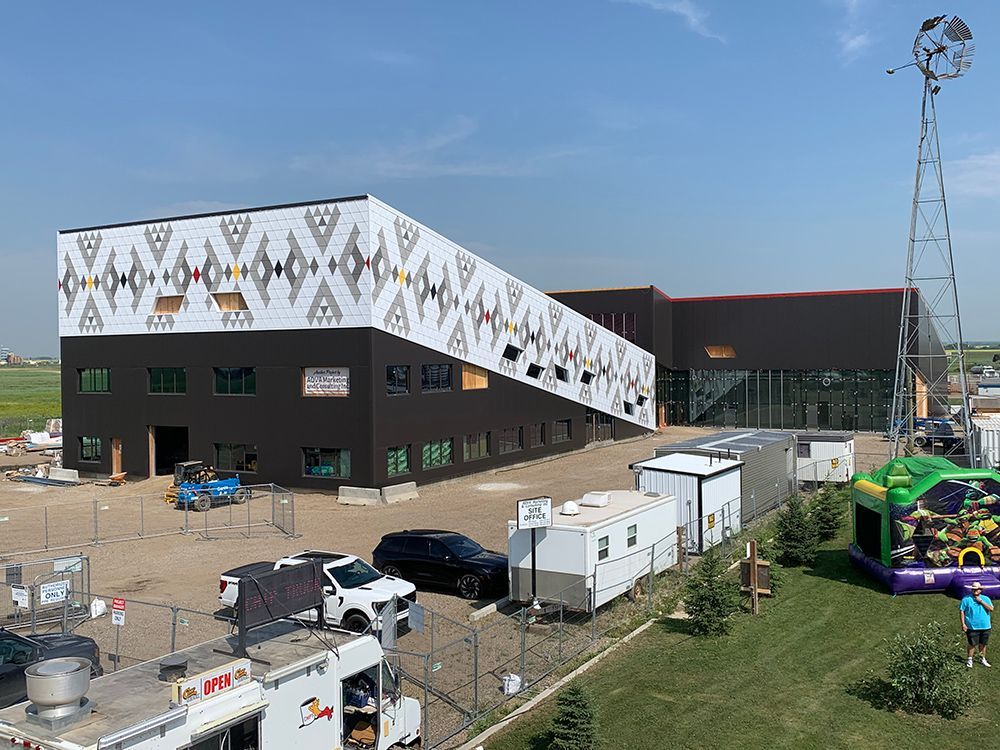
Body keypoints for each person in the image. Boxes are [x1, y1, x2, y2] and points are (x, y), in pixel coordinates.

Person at [960, 581, 994, 668]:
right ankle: (969, 659)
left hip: (985, 626)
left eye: (977, 589)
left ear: (980, 590)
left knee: (983, 644)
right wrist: (963, 624)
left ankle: (982, 659)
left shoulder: (986, 599)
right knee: (972, 644)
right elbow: (962, 611)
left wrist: (981, 601)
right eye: (974, 589)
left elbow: (991, 609)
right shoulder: (966, 599)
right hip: (972, 626)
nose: (976, 591)